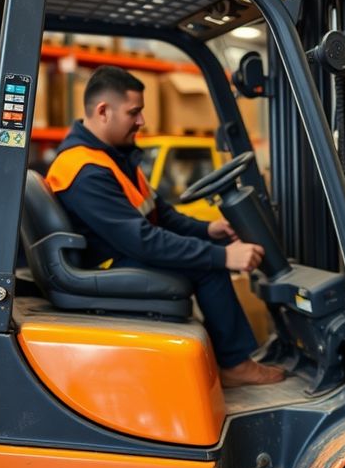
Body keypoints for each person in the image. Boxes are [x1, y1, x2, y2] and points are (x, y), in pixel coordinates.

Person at [46, 66, 283, 387]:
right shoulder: (85, 170)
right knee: (207, 266)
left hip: (117, 253)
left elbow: (160, 215)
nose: (142, 121)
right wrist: (223, 257)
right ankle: (235, 365)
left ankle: (230, 359)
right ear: (103, 111)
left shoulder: (112, 158)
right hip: (102, 266)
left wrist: (208, 230)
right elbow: (141, 240)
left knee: (206, 252)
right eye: (134, 112)